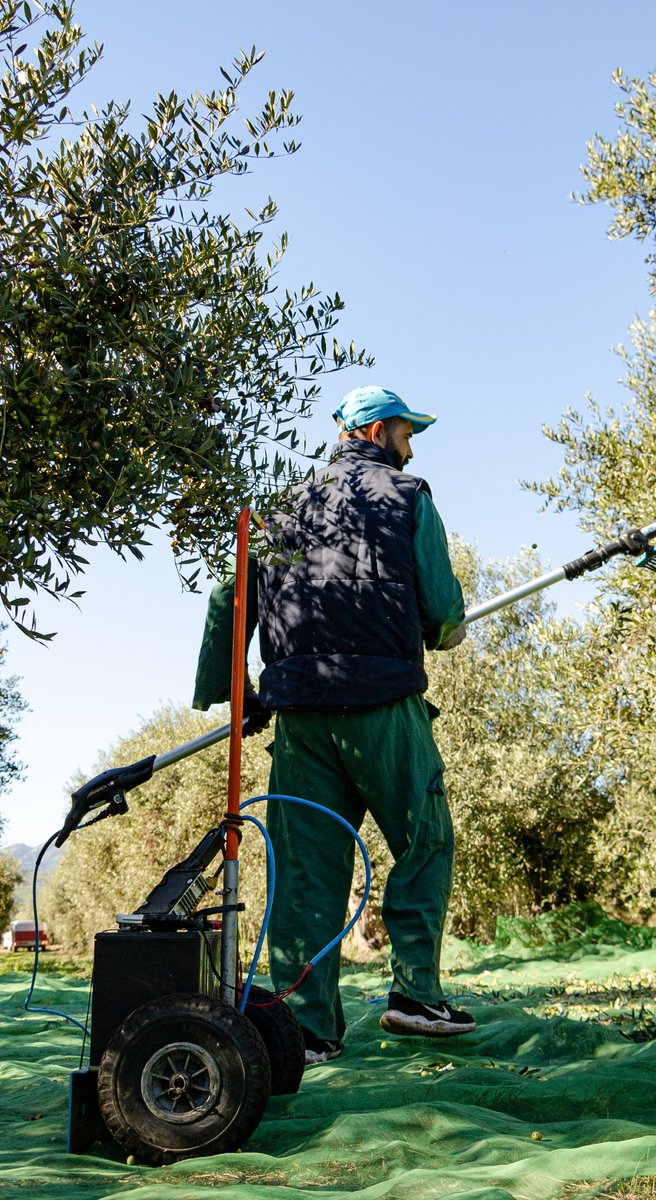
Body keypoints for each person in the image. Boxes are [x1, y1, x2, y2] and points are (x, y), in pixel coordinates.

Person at [192, 385, 474, 1064]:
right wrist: (443, 632)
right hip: (383, 704)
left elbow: (228, 598)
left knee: (308, 872)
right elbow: (441, 609)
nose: (411, 447)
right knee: (425, 841)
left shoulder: (275, 507)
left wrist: (233, 692)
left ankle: (307, 1032)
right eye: (407, 432)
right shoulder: (409, 496)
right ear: (376, 430)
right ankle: (414, 998)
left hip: (301, 716)